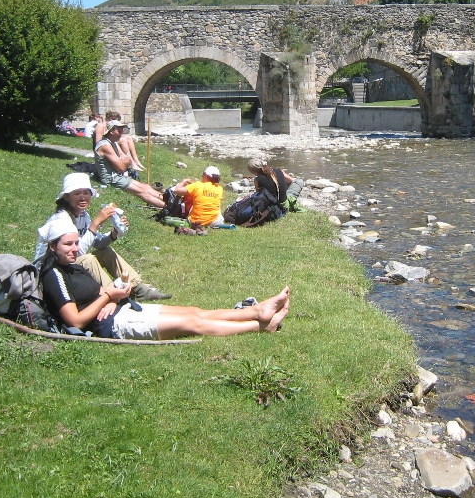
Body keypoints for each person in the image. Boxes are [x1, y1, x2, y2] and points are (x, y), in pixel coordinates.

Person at [39, 218, 289, 340]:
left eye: (75, 243)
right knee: (193, 323)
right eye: (67, 244)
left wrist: (112, 300)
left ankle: (257, 310)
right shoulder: (54, 274)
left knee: (194, 310)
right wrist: (107, 296)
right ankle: (260, 325)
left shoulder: (72, 266)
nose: (74, 249)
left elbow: (97, 296)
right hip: (111, 327)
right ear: (52, 246)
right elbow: (75, 320)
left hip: (122, 310)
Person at [35, 173, 170, 300]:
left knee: (106, 252)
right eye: (76, 193)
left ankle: (139, 289)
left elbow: (98, 243)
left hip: (66, 265)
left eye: (86, 193)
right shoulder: (62, 220)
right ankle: (114, 294)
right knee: (88, 259)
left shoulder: (82, 215)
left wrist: (114, 233)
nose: (83, 197)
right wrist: (96, 223)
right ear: (66, 197)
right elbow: (76, 253)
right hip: (51, 271)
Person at [94, 119, 169, 208]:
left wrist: (123, 162)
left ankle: (169, 200)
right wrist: (123, 162)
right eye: (119, 130)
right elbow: (122, 168)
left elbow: (127, 160)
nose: (121, 133)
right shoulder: (105, 145)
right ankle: (170, 209)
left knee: (146, 187)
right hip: (111, 179)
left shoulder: (113, 143)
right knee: (143, 192)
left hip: (118, 175)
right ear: (111, 131)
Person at [94, 111, 144, 179]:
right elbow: (98, 142)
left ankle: (135, 160)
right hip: (105, 148)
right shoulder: (101, 126)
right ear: (111, 119)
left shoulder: (112, 129)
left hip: (111, 143)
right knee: (122, 140)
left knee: (128, 138)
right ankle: (131, 163)